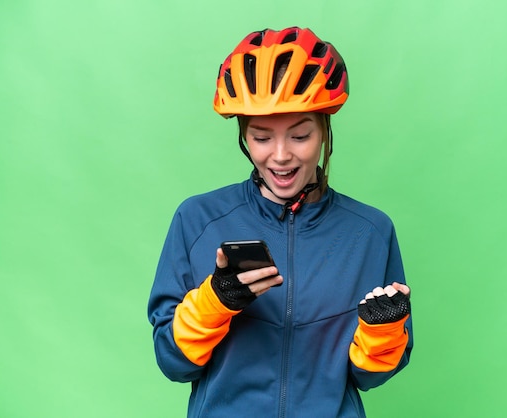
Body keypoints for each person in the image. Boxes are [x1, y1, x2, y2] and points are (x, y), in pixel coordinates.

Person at [147, 26, 413, 418]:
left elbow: (367, 377)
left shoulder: (370, 231)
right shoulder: (198, 219)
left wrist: (382, 332)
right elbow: (174, 363)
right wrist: (215, 300)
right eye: (261, 137)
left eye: (300, 135)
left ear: (323, 131)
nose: (281, 155)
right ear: (243, 137)